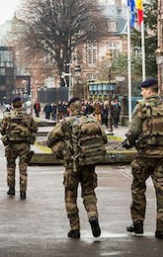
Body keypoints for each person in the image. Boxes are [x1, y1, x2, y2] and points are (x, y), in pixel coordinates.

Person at [122, 78, 163, 240]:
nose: (141, 93)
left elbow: (133, 131)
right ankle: (161, 229)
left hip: (145, 156)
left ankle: (138, 224)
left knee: (138, 188)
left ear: (148, 91)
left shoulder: (142, 106)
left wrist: (128, 143)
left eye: (143, 90)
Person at [46, 97, 108, 239]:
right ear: (82, 108)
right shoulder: (92, 121)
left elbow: (49, 140)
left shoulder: (65, 123)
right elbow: (104, 139)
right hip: (88, 165)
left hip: (71, 167)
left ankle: (75, 229)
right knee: (89, 193)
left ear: (69, 109)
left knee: (70, 196)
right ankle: (93, 216)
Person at [0, 97, 38, 200]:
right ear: (21, 105)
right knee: (23, 169)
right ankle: (23, 191)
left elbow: (2, 130)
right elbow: (34, 128)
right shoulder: (28, 116)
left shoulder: (8, 116)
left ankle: (11, 188)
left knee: (11, 167)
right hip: (24, 146)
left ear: (13, 105)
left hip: (11, 145)